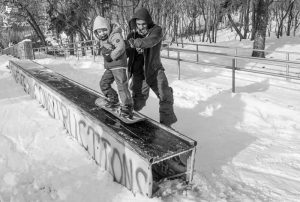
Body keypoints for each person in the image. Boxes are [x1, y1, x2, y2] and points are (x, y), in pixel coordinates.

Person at [126, 7, 177, 126]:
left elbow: (151, 41)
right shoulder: (131, 35)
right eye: (138, 24)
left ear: (148, 22)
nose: (141, 27)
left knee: (165, 95)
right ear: (135, 23)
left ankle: (167, 125)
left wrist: (136, 43)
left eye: (144, 24)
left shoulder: (156, 30)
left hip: (154, 70)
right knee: (138, 101)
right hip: (139, 73)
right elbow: (127, 52)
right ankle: (128, 114)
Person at [93, 16, 133, 118]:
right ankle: (113, 99)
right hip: (110, 67)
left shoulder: (114, 35)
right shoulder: (103, 40)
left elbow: (120, 47)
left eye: (104, 30)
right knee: (104, 83)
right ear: (96, 33)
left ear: (108, 28)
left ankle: (127, 107)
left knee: (122, 86)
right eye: (99, 32)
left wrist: (111, 56)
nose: (102, 33)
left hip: (119, 65)